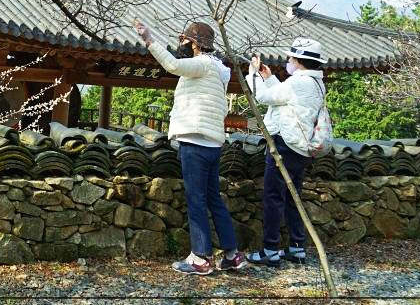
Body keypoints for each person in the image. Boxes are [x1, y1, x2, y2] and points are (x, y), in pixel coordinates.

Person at [133, 19, 246, 275]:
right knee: (213, 199)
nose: (181, 43)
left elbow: (172, 65)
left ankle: (201, 258)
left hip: (194, 141)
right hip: (213, 142)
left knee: (196, 200)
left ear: (195, 43)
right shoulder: (220, 70)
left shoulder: (202, 64)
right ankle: (232, 255)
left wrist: (148, 39)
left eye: (184, 39)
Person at [245, 38, 328, 267]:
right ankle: (297, 247)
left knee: (273, 196)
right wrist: (269, 78)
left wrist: (253, 74)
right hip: (301, 147)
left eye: (291, 58)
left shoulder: (298, 82)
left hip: (285, 144)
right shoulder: (316, 83)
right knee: (293, 197)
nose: (288, 61)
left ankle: (270, 250)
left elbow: (264, 97)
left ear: (299, 60)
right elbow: (284, 98)